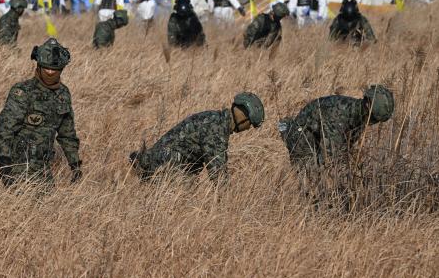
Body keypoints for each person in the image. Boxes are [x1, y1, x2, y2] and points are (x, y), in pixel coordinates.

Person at [0, 38, 81, 188]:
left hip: (44, 168)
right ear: (39, 66)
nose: (50, 72)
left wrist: (75, 164)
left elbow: (67, 134)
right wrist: (4, 160)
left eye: (54, 70)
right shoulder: (23, 91)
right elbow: (6, 128)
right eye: (46, 68)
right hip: (18, 167)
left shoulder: (63, 94)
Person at [129, 92, 265, 183]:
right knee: (186, 191)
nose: (248, 128)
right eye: (249, 124)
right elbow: (218, 176)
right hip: (160, 168)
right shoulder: (216, 131)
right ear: (242, 117)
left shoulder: (215, 119)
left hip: (161, 163)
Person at [278, 85, 394, 171]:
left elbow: (345, 148)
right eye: (374, 118)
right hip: (302, 135)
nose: (373, 123)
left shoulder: (359, 116)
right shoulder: (337, 115)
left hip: (319, 136)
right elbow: (327, 159)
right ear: (367, 106)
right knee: (308, 172)